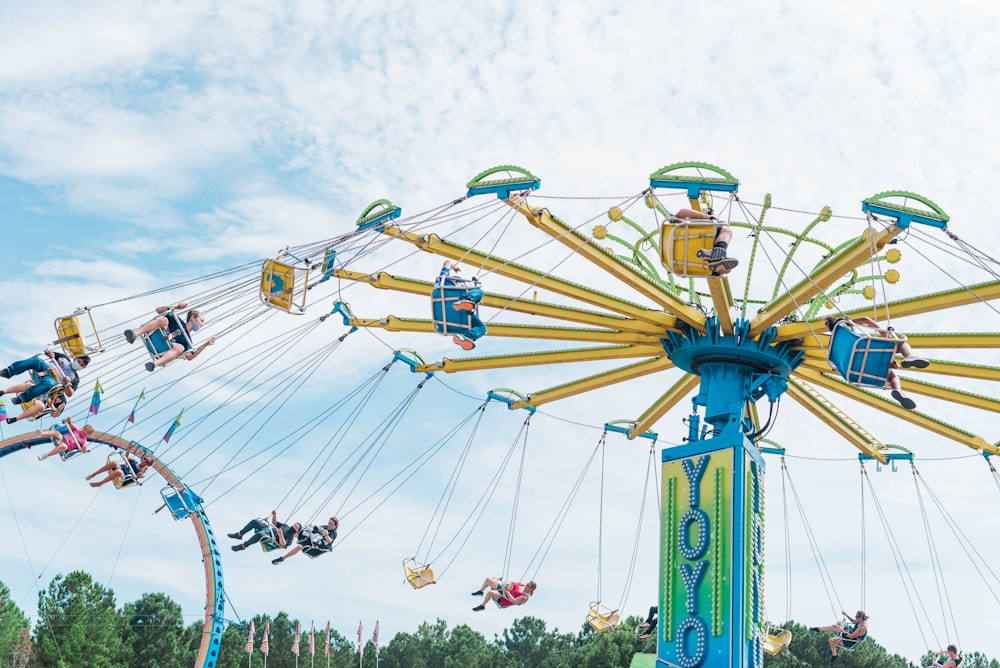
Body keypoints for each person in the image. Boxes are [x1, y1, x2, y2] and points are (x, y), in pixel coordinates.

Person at [824, 315, 928, 410]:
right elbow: (865, 319)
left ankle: (899, 392)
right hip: (863, 349)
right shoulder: (845, 328)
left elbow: (835, 364)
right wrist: (883, 332)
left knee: (891, 375)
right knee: (900, 344)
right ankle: (909, 357)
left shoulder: (833, 346)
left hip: (856, 369)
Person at [124, 302, 216, 371]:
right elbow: (158, 310)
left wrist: (206, 344)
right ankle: (134, 335)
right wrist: (176, 307)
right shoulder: (177, 320)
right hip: (155, 336)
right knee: (164, 320)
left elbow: (189, 357)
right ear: (192, 318)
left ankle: (154, 364)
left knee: (181, 348)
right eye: (201, 320)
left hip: (163, 351)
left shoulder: (188, 341)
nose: (202, 324)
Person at [0, 350, 90, 405]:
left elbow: (70, 394)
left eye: (81, 365)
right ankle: (8, 372)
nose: (79, 364)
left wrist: (67, 383)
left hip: (52, 380)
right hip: (45, 368)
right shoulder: (64, 358)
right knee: (36, 361)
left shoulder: (75, 378)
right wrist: (51, 354)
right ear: (75, 358)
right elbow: (50, 352)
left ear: (83, 368)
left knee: (49, 383)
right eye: (79, 361)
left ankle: (22, 398)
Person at [671, 208, 738, 275]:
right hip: (689, 252)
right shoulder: (686, 225)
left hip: (679, 257)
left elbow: (681, 213)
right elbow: (681, 212)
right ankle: (719, 252)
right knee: (727, 231)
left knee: (725, 269)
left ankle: (716, 258)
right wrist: (709, 218)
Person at [438, 261, 487, 350]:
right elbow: (447, 262)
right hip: (461, 313)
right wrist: (455, 267)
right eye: (462, 284)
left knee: (482, 328)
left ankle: (466, 337)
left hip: (447, 316)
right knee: (479, 291)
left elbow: (447, 263)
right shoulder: (447, 282)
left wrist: (454, 267)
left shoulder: (443, 282)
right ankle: (464, 302)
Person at [272, 516, 338, 565]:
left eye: (331, 524)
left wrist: (326, 535)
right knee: (300, 537)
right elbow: (316, 529)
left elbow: (330, 541)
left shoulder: (333, 532)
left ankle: (283, 555)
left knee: (300, 546)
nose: (329, 525)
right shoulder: (325, 526)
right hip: (311, 540)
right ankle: (283, 550)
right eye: (329, 523)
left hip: (320, 546)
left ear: (335, 526)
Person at [228, 510, 301, 552]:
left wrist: (281, 534)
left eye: (296, 527)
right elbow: (274, 523)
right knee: (255, 521)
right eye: (294, 525)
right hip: (268, 530)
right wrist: (274, 515)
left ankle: (243, 546)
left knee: (260, 534)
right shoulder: (286, 526)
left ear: (297, 531)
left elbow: (283, 544)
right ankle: (239, 534)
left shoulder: (290, 538)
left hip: (271, 540)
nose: (294, 527)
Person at [86, 451, 153, 488]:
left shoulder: (143, 473)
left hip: (124, 478)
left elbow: (138, 476)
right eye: (144, 459)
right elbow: (126, 458)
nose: (144, 461)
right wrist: (129, 449)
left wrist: (144, 470)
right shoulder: (134, 461)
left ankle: (100, 483)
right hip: (121, 469)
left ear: (148, 465)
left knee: (119, 471)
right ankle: (93, 474)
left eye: (147, 462)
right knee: (115, 462)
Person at [471, 577, 537, 611]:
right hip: (503, 590)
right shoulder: (522, 585)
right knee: (488, 580)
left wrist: (506, 591)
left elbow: (513, 601)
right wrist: (506, 584)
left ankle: (482, 606)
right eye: (527, 584)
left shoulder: (525, 597)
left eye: (528, 586)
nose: (526, 585)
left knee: (491, 593)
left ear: (531, 589)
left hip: (504, 599)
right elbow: (512, 583)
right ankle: (480, 591)